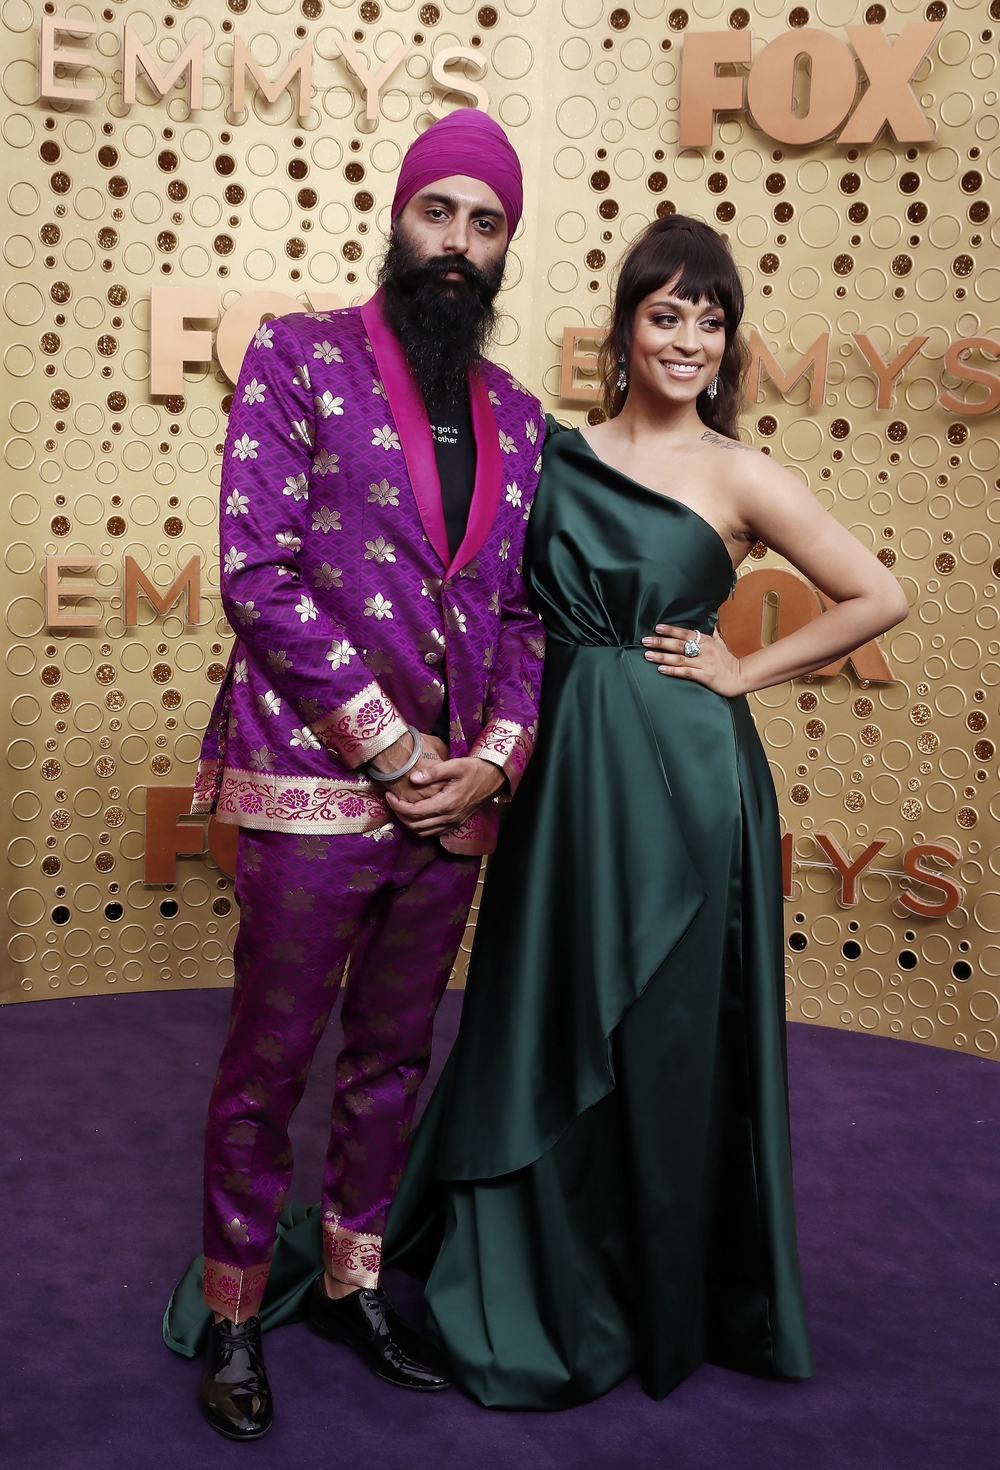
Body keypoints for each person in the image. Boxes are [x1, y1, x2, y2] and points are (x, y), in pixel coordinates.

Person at [383, 214, 909, 1409]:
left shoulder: (740, 472)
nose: (686, 339)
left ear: (727, 346)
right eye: (664, 313)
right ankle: (531, 1265)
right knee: (546, 999)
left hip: (684, 784)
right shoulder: (550, 451)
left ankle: (658, 1283)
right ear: (625, 328)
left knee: (664, 1039)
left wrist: (743, 670)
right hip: (561, 767)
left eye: (708, 321)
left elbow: (878, 593)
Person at [174, 109, 547, 1440]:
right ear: (399, 217)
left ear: (508, 244)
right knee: (271, 1057)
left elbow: (522, 613)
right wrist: (392, 751)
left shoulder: (521, 415)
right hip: (319, 785)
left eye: (485, 222)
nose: (457, 243)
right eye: (439, 212)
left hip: (453, 811)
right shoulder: (298, 356)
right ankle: (233, 1305)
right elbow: (257, 571)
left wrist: (489, 760)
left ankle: (353, 1280)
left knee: (393, 1056)